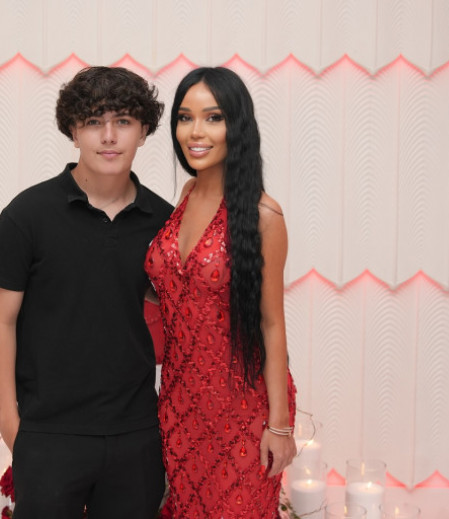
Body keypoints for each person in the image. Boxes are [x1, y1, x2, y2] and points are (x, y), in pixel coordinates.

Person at [0, 66, 173, 518]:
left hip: (136, 432)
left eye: (123, 121)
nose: (109, 136)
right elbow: (0, 321)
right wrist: (10, 422)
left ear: (144, 131)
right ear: (73, 130)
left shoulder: (164, 222)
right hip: (48, 432)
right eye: (93, 121)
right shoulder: (28, 215)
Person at [145, 67, 297, 518]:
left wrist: (279, 425)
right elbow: (172, 292)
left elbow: (271, 324)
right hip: (179, 404)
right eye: (185, 117)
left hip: (243, 409)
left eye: (213, 117)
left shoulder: (264, 215)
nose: (195, 132)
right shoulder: (187, 194)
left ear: (238, 126)